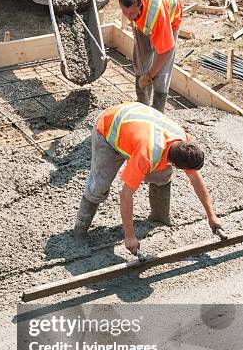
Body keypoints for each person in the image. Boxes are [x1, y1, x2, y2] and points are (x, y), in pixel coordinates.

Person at [73, 102, 222, 254]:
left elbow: (196, 179)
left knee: (163, 174)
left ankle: (159, 217)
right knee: (99, 186)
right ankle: (79, 232)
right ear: (177, 165)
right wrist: (130, 236)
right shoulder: (147, 155)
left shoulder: (183, 140)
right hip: (108, 128)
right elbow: (125, 195)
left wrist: (211, 215)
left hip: (134, 126)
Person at [114, 0, 183, 113]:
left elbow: (164, 51)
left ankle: (158, 111)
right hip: (144, 19)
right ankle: (143, 105)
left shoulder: (156, 15)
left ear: (140, 4)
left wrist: (150, 75)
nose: (127, 16)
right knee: (140, 59)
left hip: (170, 18)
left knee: (161, 72)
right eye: (124, 12)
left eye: (131, 12)